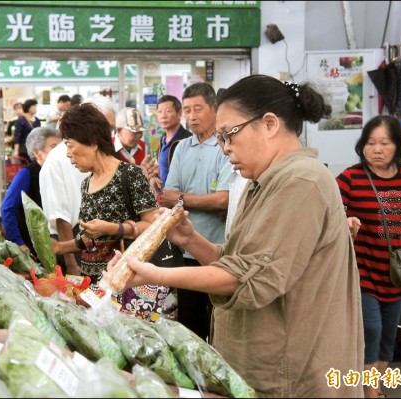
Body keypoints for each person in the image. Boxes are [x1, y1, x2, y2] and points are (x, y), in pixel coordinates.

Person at [105, 74, 364, 397]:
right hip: (263, 362)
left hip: (289, 370)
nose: (226, 149)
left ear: (269, 124)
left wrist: (154, 274)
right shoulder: (266, 181)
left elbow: (250, 279)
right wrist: (190, 240)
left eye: (229, 135)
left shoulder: (301, 182)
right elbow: (239, 261)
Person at [53, 102, 168, 321]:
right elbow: (90, 239)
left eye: (70, 145)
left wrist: (114, 228)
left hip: (125, 286)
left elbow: (154, 227)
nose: (68, 154)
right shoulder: (85, 184)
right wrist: (60, 247)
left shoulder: (130, 175)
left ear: (92, 142)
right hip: (93, 288)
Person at [336, 115, 401, 399]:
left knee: (387, 337)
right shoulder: (350, 178)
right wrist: (344, 221)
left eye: (384, 143)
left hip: (395, 273)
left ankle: (374, 388)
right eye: (370, 143)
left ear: (397, 146)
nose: (376, 149)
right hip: (361, 271)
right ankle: (368, 393)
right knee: (371, 329)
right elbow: (328, 210)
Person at [160, 82, 232, 341]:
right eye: (187, 110)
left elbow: (223, 200)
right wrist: (202, 200)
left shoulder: (226, 147)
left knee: (219, 323)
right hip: (184, 251)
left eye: (197, 109)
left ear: (214, 108)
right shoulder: (182, 148)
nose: (191, 116)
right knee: (189, 327)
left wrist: (181, 199)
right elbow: (167, 198)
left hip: (218, 250)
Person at [39, 95, 118, 275]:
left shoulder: (105, 159)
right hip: (72, 245)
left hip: (99, 241)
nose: (110, 135)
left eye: (112, 129)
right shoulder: (58, 159)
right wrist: (72, 263)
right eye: (108, 128)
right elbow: (61, 218)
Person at [1, 126, 61, 257]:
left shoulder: (57, 173)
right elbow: (7, 208)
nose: (60, 151)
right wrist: (18, 243)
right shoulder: (26, 174)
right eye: (54, 147)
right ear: (37, 152)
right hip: (32, 248)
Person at [153, 95, 192, 193]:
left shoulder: (188, 139)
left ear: (179, 113)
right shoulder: (162, 139)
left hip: (180, 198)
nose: (163, 116)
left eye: (168, 111)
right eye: (160, 112)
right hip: (164, 197)